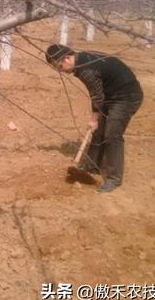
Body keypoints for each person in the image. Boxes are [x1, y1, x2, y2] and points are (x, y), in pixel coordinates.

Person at [45, 44, 143, 193]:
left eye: (59, 66)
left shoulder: (86, 69)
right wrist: (97, 121)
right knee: (98, 132)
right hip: (110, 95)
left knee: (112, 134)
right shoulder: (82, 60)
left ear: (67, 58)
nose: (60, 70)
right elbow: (99, 94)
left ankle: (114, 179)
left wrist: (94, 119)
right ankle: (91, 166)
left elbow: (96, 95)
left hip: (127, 96)